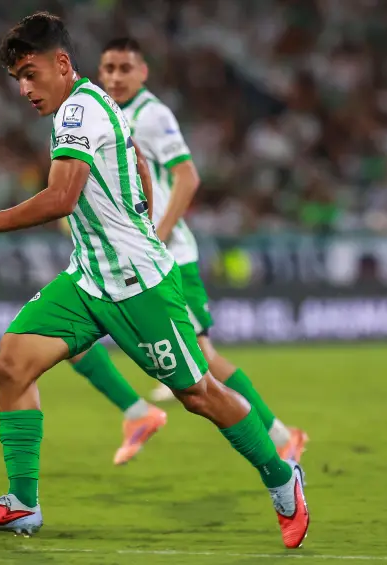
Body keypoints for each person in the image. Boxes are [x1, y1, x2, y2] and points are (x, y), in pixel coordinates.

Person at [0, 12, 309, 549]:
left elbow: (61, 198)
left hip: (138, 285)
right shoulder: (93, 104)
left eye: (29, 74)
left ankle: (282, 478)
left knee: (200, 393)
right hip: (89, 278)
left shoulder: (77, 112)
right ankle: (22, 503)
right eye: (17, 79)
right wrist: (138, 209)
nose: (24, 89)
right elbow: (134, 159)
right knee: (11, 365)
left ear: (61, 64)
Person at [97, 37, 308, 461]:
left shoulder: (152, 115)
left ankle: (283, 437)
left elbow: (187, 177)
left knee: (205, 360)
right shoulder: (107, 116)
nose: (116, 77)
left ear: (143, 72)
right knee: (76, 336)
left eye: (125, 68)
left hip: (168, 256)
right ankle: (138, 410)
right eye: (109, 69)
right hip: (130, 256)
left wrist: (157, 235)